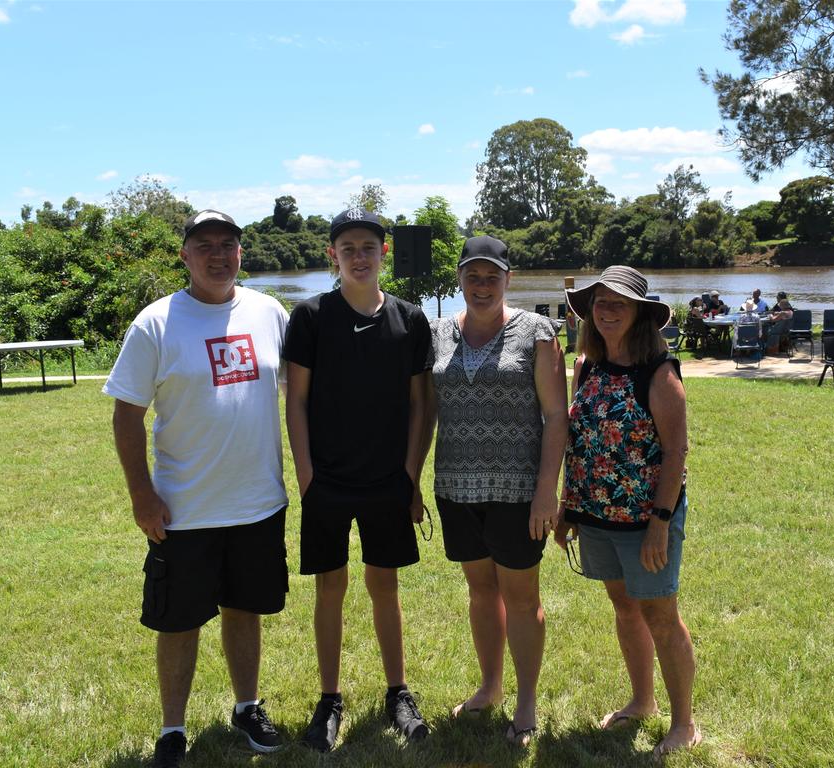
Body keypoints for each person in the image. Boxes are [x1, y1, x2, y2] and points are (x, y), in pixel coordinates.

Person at [104, 210, 290, 768]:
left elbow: (303, 396)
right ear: (184, 256)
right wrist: (142, 495)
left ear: (241, 253)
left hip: (258, 502)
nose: (218, 254)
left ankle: (247, 706)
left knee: (244, 609)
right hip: (182, 509)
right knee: (178, 621)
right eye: (204, 245)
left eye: (228, 244)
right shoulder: (156, 324)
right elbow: (125, 415)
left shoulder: (269, 312)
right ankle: (172, 728)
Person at [283, 208, 433, 752]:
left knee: (384, 585)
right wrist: (306, 476)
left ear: (383, 252)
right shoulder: (310, 316)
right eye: (348, 248)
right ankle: (329, 699)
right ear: (334, 256)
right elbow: (295, 400)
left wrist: (411, 476)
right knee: (331, 587)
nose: (359, 256)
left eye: (369, 246)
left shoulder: (409, 320)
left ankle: (398, 693)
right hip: (326, 482)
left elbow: (423, 404)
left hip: (388, 480)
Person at [427, 236, 567, 747]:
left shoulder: (538, 332)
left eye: (492, 276)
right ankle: (490, 687)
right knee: (481, 591)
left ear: (508, 279)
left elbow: (556, 416)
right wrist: (410, 476)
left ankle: (526, 701)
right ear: (460, 279)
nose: (481, 285)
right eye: (472, 275)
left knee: (522, 597)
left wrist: (546, 492)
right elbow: (426, 412)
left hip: (518, 492)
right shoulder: (438, 332)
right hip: (456, 487)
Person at [556, 265, 700, 758]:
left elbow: (676, 454)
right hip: (597, 514)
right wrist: (567, 507)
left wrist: (659, 524)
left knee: (661, 615)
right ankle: (642, 702)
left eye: (619, 302)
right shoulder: (587, 367)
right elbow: (581, 442)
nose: (607, 309)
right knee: (624, 607)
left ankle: (684, 724)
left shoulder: (659, 374)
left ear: (640, 313)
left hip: (646, 521)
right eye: (600, 301)